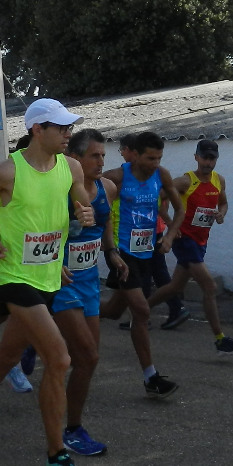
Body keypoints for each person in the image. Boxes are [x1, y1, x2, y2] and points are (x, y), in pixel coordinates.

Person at [0, 98, 100, 466]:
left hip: (49, 276)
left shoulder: (71, 166)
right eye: (61, 127)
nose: (68, 133)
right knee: (59, 357)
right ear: (37, 129)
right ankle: (57, 459)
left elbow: (81, 197)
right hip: (14, 275)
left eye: (70, 126)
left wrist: (84, 213)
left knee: (9, 354)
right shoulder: (7, 171)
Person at [51, 128, 123, 457]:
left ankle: (29, 343)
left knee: (89, 359)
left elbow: (104, 222)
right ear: (75, 160)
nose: (101, 161)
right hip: (62, 282)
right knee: (87, 356)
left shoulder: (107, 187)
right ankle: (73, 430)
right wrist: (52, 262)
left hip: (90, 280)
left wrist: (112, 253)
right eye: (94, 155)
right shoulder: (60, 190)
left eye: (103, 155)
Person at [99, 131, 181, 399]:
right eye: (149, 158)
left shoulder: (162, 175)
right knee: (142, 312)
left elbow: (180, 210)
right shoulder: (116, 177)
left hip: (148, 250)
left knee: (111, 311)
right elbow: (98, 207)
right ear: (134, 154)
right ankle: (151, 378)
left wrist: (168, 235)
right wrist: (108, 246)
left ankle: (70, 310)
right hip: (123, 254)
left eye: (159, 157)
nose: (155, 163)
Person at [149, 139, 233, 354]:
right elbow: (158, 200)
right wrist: (172, 224)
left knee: (175, 287)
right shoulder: (185, 181)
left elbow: (224, 202)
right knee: (209, 287)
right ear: (196, 157)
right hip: (184, 240)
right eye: (204, 157)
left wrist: (222, 213)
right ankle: (220, 340)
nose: (208, 162)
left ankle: (141, 310)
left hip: (201, 240)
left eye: (212, 158)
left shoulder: (219, 180)